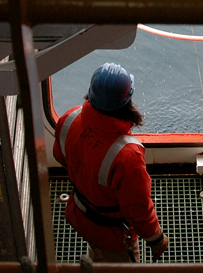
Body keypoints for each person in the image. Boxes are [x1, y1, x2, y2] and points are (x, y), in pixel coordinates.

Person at [53, 62, 169, 263]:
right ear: (127, 101)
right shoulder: (127, 155)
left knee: (97, 254)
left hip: (79, 214)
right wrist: (156, 238)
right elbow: (138, 208)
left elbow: (60, 156)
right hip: (112, 235)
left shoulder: (69, 118)